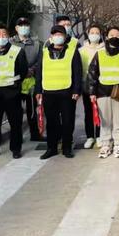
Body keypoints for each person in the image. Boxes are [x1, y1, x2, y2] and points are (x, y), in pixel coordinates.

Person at [88, 26, 119, 159]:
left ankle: (117, 144)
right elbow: (92, 73)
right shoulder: (99, 53)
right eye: (111, 35)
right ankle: (105, 144)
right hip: (102, 91)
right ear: (106, 37)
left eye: (117, 35)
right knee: (105, 121)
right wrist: (92, 92)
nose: (114, 37)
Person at [35, 25, 82, 159]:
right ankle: (52, 148)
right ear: (50, 37)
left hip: (67, 92)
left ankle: (67, 147)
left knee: (67, 121)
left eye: (60, 34)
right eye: (55, 34)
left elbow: (77, 72)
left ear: (65, 37)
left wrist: (76, 90)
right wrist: (38, 89)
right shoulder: (44, 52)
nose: (58, 37)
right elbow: (39, 72)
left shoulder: (72, 51)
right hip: (48, 92)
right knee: (51, 122)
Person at [0, 24, 28, 160]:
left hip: (11, 92)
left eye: (4, 35)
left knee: (15, 122)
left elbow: (23, 70)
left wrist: (15, 85)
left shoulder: (17, 51)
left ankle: (16, 148)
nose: (1, 37)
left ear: (8, 36)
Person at [11, 17, 43, 142]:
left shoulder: (36, 44)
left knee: (33, 110)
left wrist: (32, 70)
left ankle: (35, 134)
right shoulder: (11, 43)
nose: (23, 27)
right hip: (16, 82)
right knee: (16, 112)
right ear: (16, 28)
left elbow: (40, 61)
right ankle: (17, 138)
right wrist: (22, 71)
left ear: (29, 27)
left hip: (32, 82)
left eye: (26, 25)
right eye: (21, 25)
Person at [79, 24, 104, 149]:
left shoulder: (104, 49)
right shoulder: (82, 50)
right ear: (88, 34)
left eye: (97, 32)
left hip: (101, 86)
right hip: (86, 86)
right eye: (92, 32)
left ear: (100, 35)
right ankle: (90, 136)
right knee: (88, 112)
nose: (94, 34)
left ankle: (100, 136)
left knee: (100, 112)